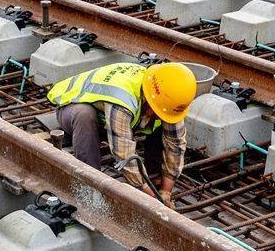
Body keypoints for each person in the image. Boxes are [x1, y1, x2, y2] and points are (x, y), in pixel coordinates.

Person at [46, 61, 195, 207]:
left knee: (162, 126)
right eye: (157, 112)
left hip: (112, 119)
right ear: (148, 99)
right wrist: (152, 199)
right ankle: (90, 182)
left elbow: (175, 144)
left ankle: (154, 178)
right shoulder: (122, 97)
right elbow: (123, 152)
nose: (160, 117)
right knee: (85, 114)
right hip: (71, 109)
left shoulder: (167, 99)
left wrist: (166, 192)